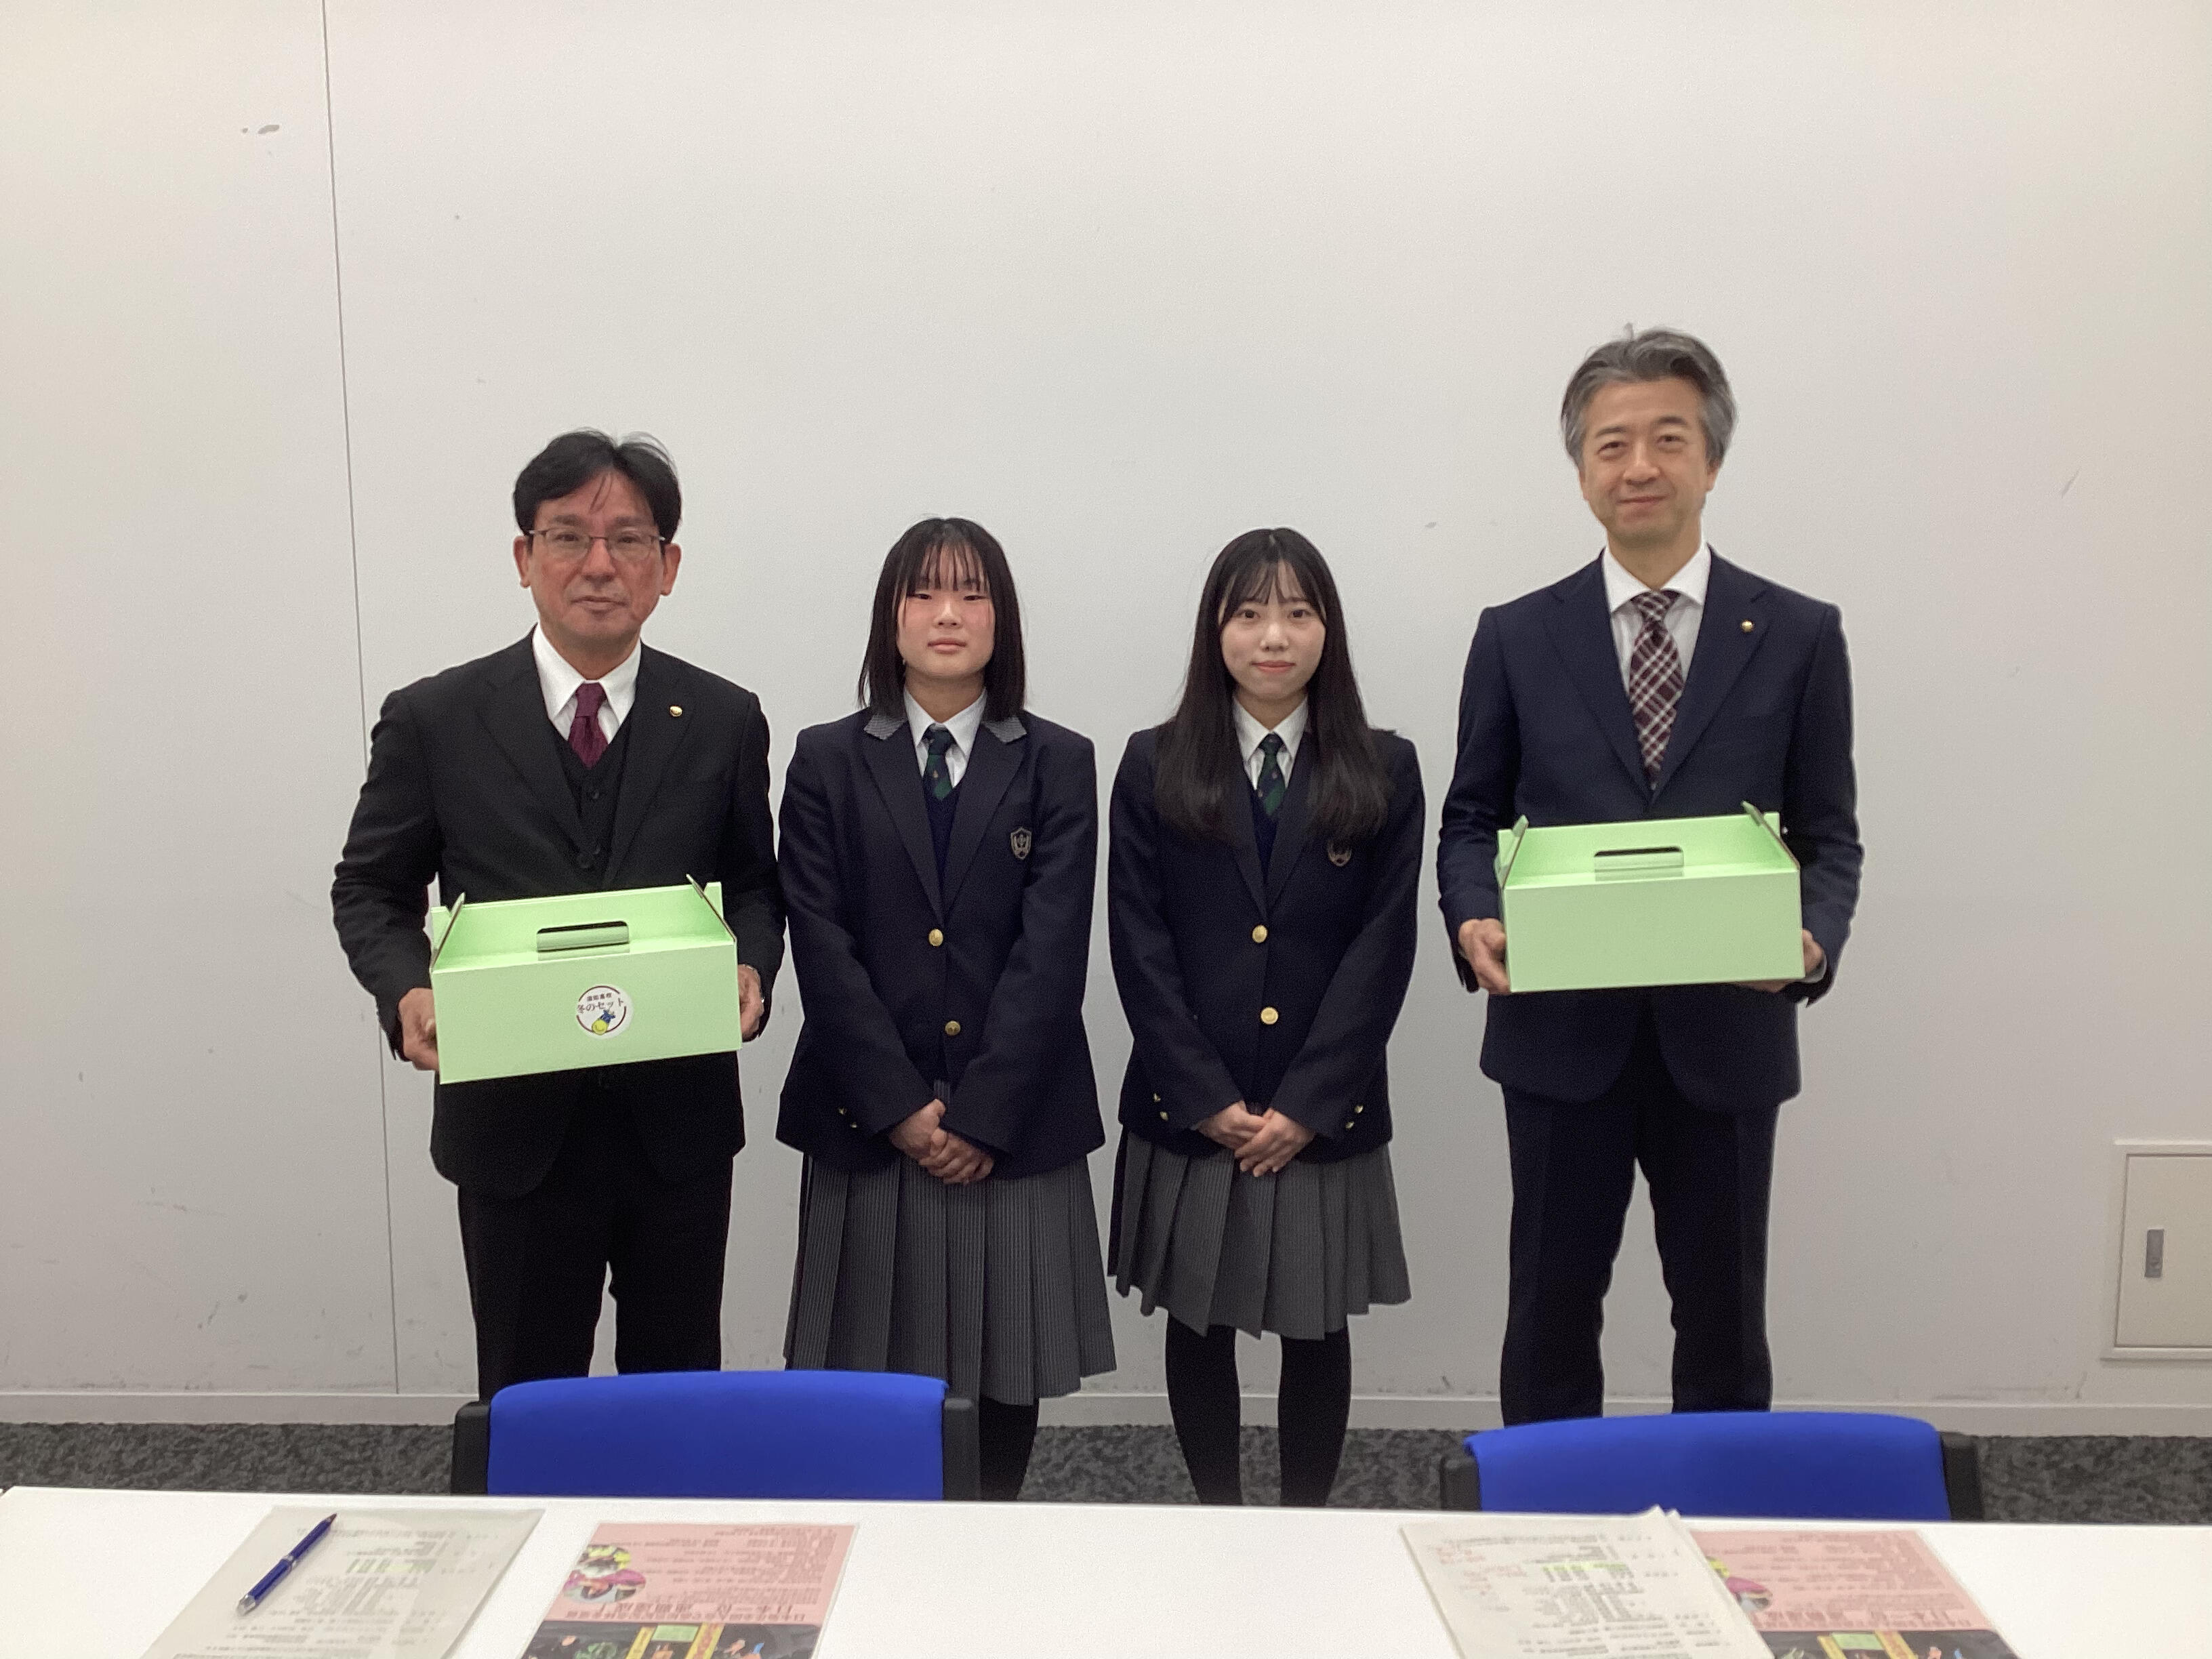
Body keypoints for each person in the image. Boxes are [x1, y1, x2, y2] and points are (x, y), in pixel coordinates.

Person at [1437, 327, 1863, 1425]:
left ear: (1711, 460)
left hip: (1727, 1033)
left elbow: (1831, 836)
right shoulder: (1517, 636)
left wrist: (1812, 940)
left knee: (1723, 1325)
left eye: (1667, 439)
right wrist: (1474, 916)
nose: (1639, 466)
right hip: (1559, 1034)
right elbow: (1470, 818)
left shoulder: (1800, 635)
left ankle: (1721, 1518)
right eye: (1611, 444)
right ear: (1581, 472)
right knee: (1549, 1317)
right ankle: (1544, 1516)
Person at [331, 430, 783, 1399]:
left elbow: (756, 882)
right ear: (524, 556)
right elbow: (369, 888)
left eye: (629, 539)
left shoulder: (723, 717)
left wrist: (751, 966)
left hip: (676, 1125)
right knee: (528, 1400)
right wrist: (407, 992)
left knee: (677, 1399)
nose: (598, 564)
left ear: (667, 567)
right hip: (513, 1130)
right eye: (568, 536)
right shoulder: (435, 719)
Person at [777, 517, 1113, 1501]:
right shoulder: (826, 758)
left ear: (1002, 619)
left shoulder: (1058, 760)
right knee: (870, 1374)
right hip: (867, 1117)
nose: (948, 615)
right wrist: (900, 1106)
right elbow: (820, 945)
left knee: (1007, 1368)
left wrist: (980, 1117)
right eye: (923, 593)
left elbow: (1052, 953)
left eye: (972, 593)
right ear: (891, 618)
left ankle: (992, 1534)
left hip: (1015, 1119)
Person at [1108, 527, 1421, 1507]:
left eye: (1297, 612)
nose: (1273, 636)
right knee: (1196, 1320)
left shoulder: (1386, 766)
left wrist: (1309, 1104)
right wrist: (1203, 1096)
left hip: (1322, 1111)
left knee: (1315, 1326)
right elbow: (1138, 945)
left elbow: (1383, 949)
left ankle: (1305, 1521)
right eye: (1248, 613)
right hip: (1191, 1106)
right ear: (1216, 631)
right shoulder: (1154, 763)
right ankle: (1218, 1515)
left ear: (1329, 629)